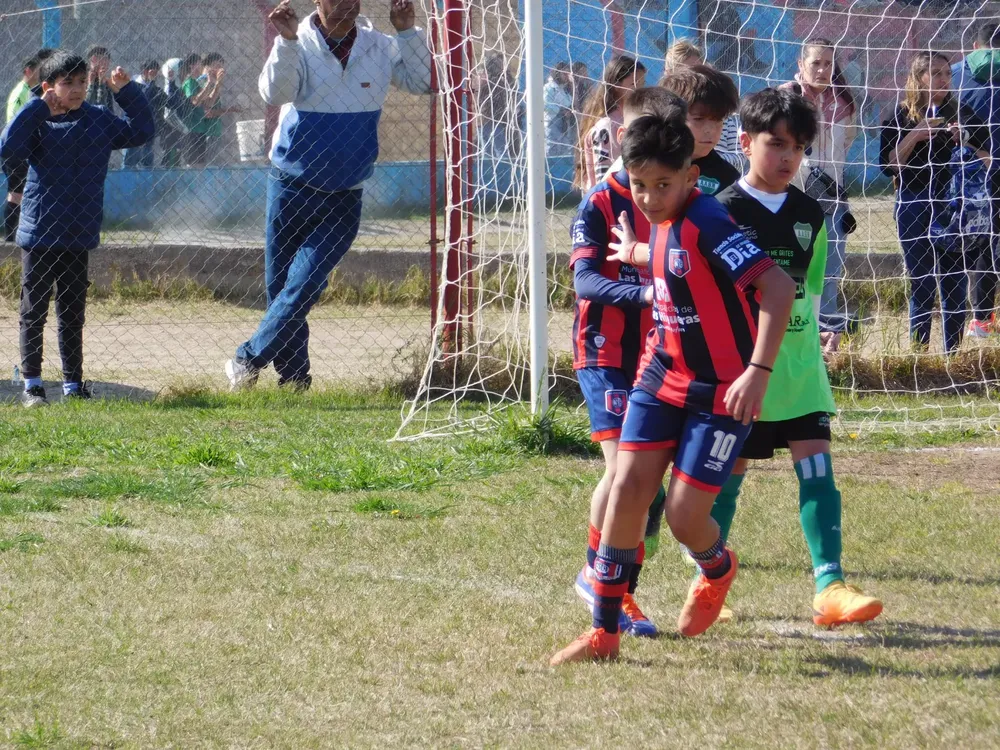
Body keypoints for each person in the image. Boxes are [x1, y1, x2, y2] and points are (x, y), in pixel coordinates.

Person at [550, 113, 796, 664]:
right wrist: (636, 252)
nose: (650, 198)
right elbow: (671, 260)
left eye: (663, 185)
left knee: (685, 518)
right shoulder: (654, 218)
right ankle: (603, 633)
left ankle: (718, 568)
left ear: (691, 176)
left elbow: (778, 289)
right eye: (640, 185)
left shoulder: (709, 221)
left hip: (721, 390)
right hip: (660, 376)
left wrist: (758, 372)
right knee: (626, 489)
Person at [713, 87, 883, 627]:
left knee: (817, 466)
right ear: (745, 143)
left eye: (799, 147)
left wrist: (824, 328)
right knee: (728, 475)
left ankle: (830, 585)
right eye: (777, 144)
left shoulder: (811, 212)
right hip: (742, 372)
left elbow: (810, 288)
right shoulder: (720, 213)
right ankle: (707, 581)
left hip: (800, 369)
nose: (789, 157)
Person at [225, 0, 431, 391]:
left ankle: (247, 359)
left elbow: (423, 82)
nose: (346, 5)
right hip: (291, 186)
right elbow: (275, 92)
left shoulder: (379, 46)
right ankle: (294, 380)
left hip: (344, 195)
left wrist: (407, 32)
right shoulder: (298, 42)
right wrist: (286, 42)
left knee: (304, 285)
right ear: (318, 1)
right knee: (282, 289)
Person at [570, 87, 689, 640]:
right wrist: (646, 293)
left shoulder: (682, 199)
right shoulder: (600, 202)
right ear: (622, 135)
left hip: (659, 356)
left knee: (647, 486)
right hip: (605, 353)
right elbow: (585, 281)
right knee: (625, 476)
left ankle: (613, 583)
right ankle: (602, 581)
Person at [0, 50, 154, 407]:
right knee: (33, 313)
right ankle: (33, 386)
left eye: (82, 82)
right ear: (48, 87)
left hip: (77, 234)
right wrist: (38, 108)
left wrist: (127, 92)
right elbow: (8, 147)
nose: (76, 89)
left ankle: (73, 385)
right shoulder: (38, 119)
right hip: (40, 235)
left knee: (72, 314)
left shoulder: (98, 120)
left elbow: (142, 131)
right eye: (67, 82)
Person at [880, 51, 990, 353]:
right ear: (919, 78)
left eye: (948, 74)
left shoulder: (963, 113)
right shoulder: (899, 115)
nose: (944, 79)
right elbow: (889, 165)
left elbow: (988, 160)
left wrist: (964, 140)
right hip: (914, 204)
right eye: (936, 73)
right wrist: (915, 135)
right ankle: (919, 355)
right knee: (923, 283)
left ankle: (952, 355)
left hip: (955, 208)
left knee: (954, 284)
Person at [779, 38, 858, 355]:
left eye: (829, 63)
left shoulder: (845, 103)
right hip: (790, 202)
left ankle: (827, 348)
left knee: (829, 275)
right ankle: (788, 343)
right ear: (801, 65)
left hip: (832, 202)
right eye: (816, 63)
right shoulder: (786, 98)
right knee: (790, 273)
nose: (823, 70)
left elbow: (846, 144)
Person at [952, 21, 1000, 338]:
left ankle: (973, 320)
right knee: (992, 241)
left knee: (972, 241)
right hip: (995, 167)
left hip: (961, 174)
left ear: (974, 46)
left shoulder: (953, 73)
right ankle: (982, 319)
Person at [660, 63, 741, 197]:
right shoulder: (646, 162)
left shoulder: (728, 177)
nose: (710, 130)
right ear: (671, 117)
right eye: (699, 119)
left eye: (718, 120)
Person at [573, 55, 646, 192]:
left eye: (642, 84)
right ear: (616, 86)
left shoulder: (633, 117)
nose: (640, 90)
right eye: (634, 84)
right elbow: (603, 179)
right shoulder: (607, 126)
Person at [4, 51, 46, 242]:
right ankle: (10, 236)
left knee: (20, 192)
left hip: (20, 147)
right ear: (28, 71)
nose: (39, 74)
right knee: (16, 193)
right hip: (17, 149)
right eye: (37, 70)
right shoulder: (22, 92)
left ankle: (15, 234)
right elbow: (18, 120)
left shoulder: (26, 90)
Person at [182, 52, 227, 166]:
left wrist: (217, 83)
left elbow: (209, 101)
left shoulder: (199, 82)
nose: (201, 66)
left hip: (201, 130)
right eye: (199, 63)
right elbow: (197, 102)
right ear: (191, 66)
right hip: (192, 129)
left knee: (201, 165)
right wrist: (210, 83)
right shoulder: (192, 82)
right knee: (193, 165)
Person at [123, 60, 167, 169]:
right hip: (133, 129)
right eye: (152, 72)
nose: (154, 75)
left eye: (156, 72)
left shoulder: (155, 88)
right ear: (144, 71)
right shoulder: (133, 84)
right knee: (130, 162)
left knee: (147, 162)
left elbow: (165, 101)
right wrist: (151, 83)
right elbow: (144, 99)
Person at [544, 62, 574, 157]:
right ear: (557, 73)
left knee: (565, 148)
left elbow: (569, 103)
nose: (566, 76)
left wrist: (572, 85)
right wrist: (561, 110)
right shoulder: (549, 88)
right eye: (564, 74)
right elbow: (545, 105)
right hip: (552, 121)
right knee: (552, 147)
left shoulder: (564, 89)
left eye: (568, 74)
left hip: (564, 123)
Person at [85, 46, 115, 110]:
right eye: (97, 57)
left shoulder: (108, 82)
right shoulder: (83, 79)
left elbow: (105, 109)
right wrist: (91, 84)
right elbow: (87, 106)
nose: (102, 62)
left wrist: (102, 82)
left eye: (105, 58)